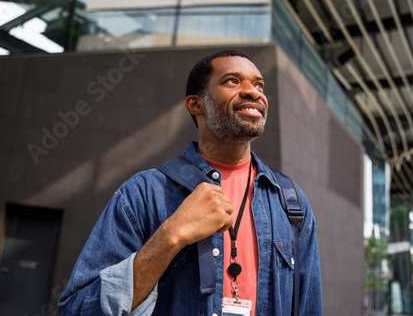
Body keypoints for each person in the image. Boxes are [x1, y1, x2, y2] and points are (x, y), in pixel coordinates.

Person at [58, 50, 322, 315]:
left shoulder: (291, 202)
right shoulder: (142, 194)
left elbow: (309, 307)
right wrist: (171, 235)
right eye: (232, 81)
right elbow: (77, 309)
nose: (253, 92)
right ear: (195, 104)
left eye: (258, 85)